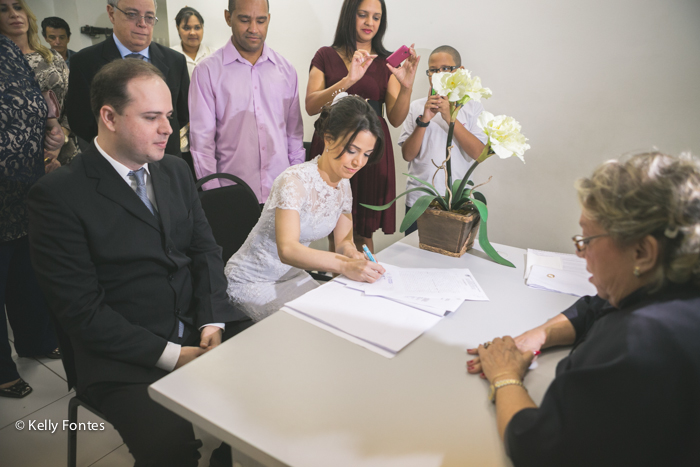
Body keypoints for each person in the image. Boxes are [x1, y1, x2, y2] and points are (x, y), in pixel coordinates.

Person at [27, 59, 250, 465]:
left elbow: (205, 252)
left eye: (169, 115)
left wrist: (212, 321)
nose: (168, 128)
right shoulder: (58, 196)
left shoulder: (175, 171)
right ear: (108, 117)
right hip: (124, 354)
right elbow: (82, 312)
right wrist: (175, 355)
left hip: (198, 326)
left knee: (275, 389)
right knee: (171, 450)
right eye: (152, 117)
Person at [465, 152, 700, 466]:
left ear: (643, 251)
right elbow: (598, 305)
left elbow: (538, 448)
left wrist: (505, 376)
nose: (580, 253)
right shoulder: (673, 282)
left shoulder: (640, 341)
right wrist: (539, 335)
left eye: (587, 239)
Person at [225, 95, 387, 322]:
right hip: (253, 281)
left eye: (366, 154)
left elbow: (343, 242)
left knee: (341, 319)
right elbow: (288, 250)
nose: (358, 162)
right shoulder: (293, 181)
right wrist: (345, 265)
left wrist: (354, 256)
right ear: (329, 139)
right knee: (316, 327)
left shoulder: (343, 183)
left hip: (292, 277)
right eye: (352, 150)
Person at [305, 0, 419, 253]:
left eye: (376, 17)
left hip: (369, 152)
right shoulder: (325, 55)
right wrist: (348, 80)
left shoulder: (386, 63)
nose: (370, 23)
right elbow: (311, 105)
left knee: (363, 233)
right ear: (350, 15)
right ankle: (338, 286)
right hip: (332, 146)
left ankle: (366, 285)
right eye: (363, 15)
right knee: (333, 230)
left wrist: (407, 86)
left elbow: (396, 118)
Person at [189, 0, 305, 205]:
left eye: (261, 21)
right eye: (244, 20)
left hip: (281, 195)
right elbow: (202, 145)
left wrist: (296, 183)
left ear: (268, 19)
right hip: (232, 197)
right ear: (228, 17)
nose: (253, 29)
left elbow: (294, 137)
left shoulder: (286, 71)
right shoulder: (207, 73)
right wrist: (217, 196)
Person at [0, 33, 64, 398]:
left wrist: (51, 130)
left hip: (24, 185)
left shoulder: (9, 50)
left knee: (27, 270)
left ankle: (35, 340)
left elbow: (40, 106)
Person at [66, 0, 189, 157]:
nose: (142, 24)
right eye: (132, 14)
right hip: (113, 163)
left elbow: (183, 114)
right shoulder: (84, 62)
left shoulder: (175, 60)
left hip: (165, 160)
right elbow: (80, 121)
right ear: (111, 13)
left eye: (149, 17)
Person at [399, 46, 487, 235]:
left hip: (457, 203)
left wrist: (450, 117)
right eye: (433, 70)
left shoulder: (472, 107)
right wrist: (424, 120)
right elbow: (407, 155)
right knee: (417, 257)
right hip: (420, 200)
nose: (439, 74)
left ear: (460, 71)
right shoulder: (417, 107)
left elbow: (478, 153)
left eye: (446, 69)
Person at [1, 0, 76, 167]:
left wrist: (60, 137)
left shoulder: (52, 56)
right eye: (3, 9)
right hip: (17, 161)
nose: (14, 14)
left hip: (66, 152)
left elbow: (74, 102)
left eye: (18, 7)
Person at [171, 6, 212, 78]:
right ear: (178, 29)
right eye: (186, 28)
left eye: (197, 28)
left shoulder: (214, 55)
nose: (192, 33)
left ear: (202, 27)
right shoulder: (169, 56)